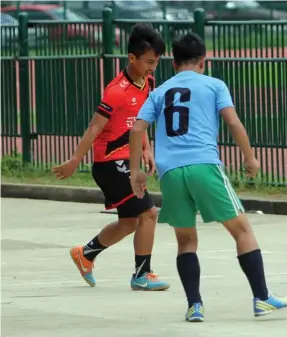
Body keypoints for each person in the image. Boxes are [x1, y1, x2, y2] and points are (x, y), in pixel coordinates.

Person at [127, 32, 287, 322]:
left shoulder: (160, 91)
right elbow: (232, 121)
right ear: (203, 61)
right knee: (242, 230)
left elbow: (137, 129)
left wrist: (135, 170)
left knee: (186, 240)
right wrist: (250, 157)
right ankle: (262, 298)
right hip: (204, 165)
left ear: (173, 63)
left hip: (171, 172)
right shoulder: (214, 85)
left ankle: (195, 305)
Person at [52, 23, 170, 291]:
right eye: (149, 62)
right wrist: (73, 161)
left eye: (157, 62)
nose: (153, 67)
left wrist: (147, 150)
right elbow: (94, 127)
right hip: (109, 164)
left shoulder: (148, 82)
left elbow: (140, 122)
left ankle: (86, 254)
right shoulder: (116, 91)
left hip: (127, 162)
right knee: (149, 213)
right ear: (131, 58)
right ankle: (142, 275)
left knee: (129, 222)